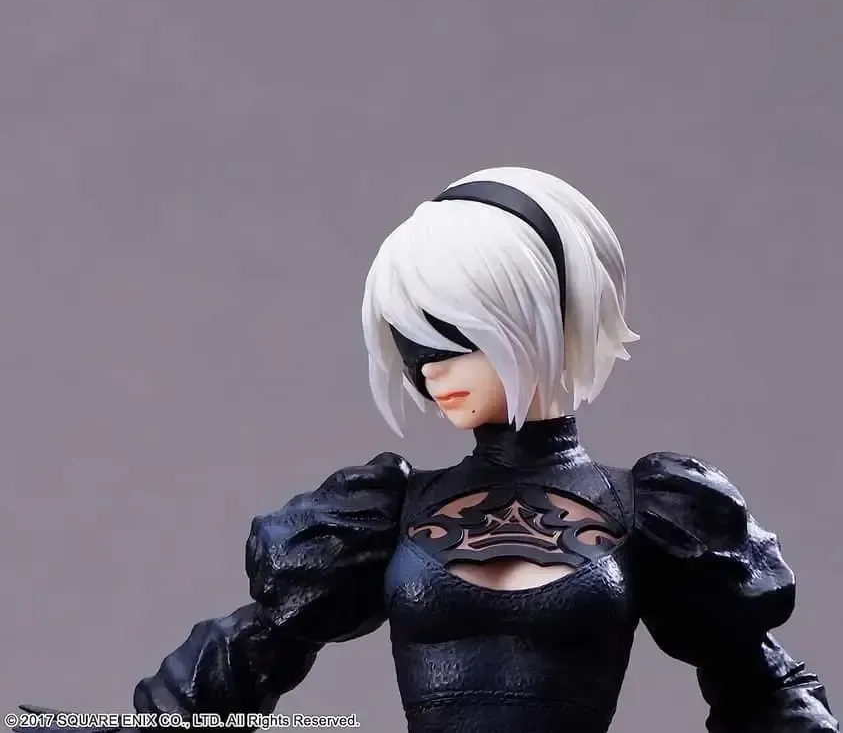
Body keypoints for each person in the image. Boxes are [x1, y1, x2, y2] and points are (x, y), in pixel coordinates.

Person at [16, 167, 838, 733]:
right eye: (411, 347)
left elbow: (759, 687)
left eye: (451, 339)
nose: (428, 371)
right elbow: (246, 658)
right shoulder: (387, 510)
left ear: (534, 319)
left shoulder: (649, 510)